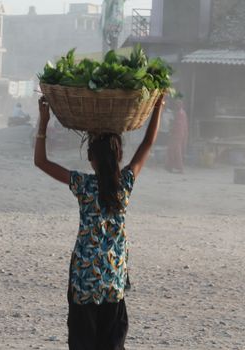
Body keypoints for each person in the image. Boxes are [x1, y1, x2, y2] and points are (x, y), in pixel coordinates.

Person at [34, 94, 165, 350]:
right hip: (113, 282)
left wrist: (43, 121)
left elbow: (41, 162)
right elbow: (148, 143)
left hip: (84, 281)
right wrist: (157, 106)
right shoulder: (124, 186)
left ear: (92, 159)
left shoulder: (84, 186)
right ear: (118, 156)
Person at [165, 99, 188, 173]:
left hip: (177, 135)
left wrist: (171, 128)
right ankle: (172, 167)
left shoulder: (180, 113)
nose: (176, 106)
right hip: (179, 134)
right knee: (175, 151)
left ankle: (176, 167)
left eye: (177, 104)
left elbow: (178, 125)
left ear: (180, 105)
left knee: (175, 151)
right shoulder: (182, 113)